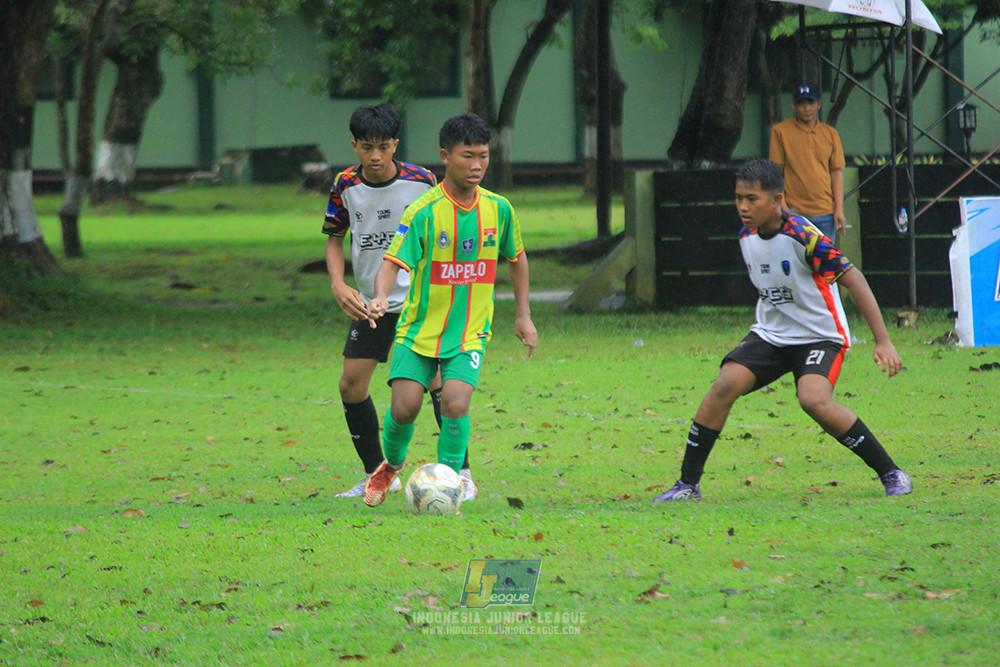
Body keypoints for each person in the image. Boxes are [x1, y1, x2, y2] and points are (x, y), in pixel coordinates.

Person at [655, 158, 912, 502]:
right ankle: (687, 485)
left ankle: (891, 473)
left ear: (776, 200)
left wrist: (883, 340)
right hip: (771, 335)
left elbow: (855, 280)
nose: (743, 207)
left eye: (752, 199)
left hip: (819, 336)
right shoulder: (747, 234)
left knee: (813, 399)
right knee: (725, 384)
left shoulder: (804, 237)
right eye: (738, 198)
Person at [361, 112, 538, 508]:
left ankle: (451, 480)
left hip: (468, 332)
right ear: (445, 156)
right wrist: (379, 296)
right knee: (404, 410)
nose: (476, 165)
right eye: (466, 156)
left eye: (483, 156)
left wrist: (523, 314)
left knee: (454, 401)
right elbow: (392, 262)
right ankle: (390, 464)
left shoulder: (499, 210)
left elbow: (517, 258)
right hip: (419, 330)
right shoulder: (423, 211)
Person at [322, 103, 476, 501]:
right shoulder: (344, 185)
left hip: (421, 304)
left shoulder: (422, 181)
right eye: (367, 147)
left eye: (384, 147)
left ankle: (461, 474)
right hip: (372, 305)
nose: (375, 156)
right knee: (351, 385)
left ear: (396, 145)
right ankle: (379, 474)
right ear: (354, 145)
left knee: (441, 386)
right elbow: (335, 239)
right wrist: (339, 285)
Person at [769, 84, 846, 241]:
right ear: (794, 106)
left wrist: (839, 209)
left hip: (826, 212)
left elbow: (836, 173)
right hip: (795, 212)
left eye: (810, 103)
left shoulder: (830, 133)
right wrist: (783, 208)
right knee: (796, 261)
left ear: (818, 104)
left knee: (823, 263)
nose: (807, 108)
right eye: (801, 104)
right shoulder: (780, 131)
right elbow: (776, 172)